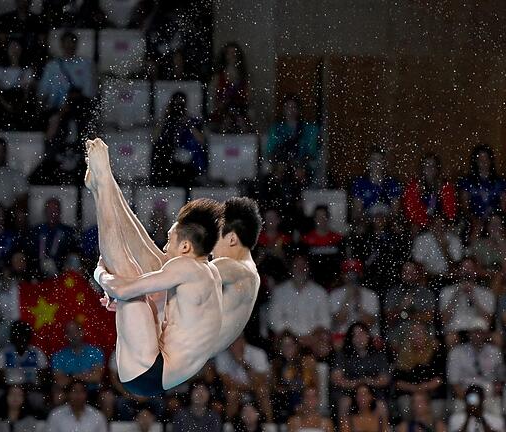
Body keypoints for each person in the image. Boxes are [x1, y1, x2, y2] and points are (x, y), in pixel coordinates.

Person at [88, 138, 223, 396]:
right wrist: (129, 301)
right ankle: (106, 187)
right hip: (159, 368)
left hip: (148, 370)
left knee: (127, 273)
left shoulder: (187, 269)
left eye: (170, 240)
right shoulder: (208, 272)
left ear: (185, 247)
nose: (164, 246)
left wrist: (99, 273)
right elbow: (169, 312)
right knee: (148, 272)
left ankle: (103, 186)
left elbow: (125, 288)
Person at [208, 196, 262, 356]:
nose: (210, 249)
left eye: (215, 238)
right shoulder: (251, 274)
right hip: (186, 359)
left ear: (232, 238)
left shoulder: (236, 269)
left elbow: (175, 273)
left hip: (171, 356)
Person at [331, 322, 390, 418]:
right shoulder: (342, 355)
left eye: (362, 333)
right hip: (349, 392)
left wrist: (368, 382)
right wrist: (356, 384)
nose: (359, 338)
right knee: (345, 402)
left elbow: (384, 379)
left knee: (381, 405)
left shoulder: (379, 355)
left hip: (373, 392)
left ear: (368, 335)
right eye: (355, 335)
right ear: (351, 339)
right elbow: (336, 378)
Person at [150, 91, 208, 187]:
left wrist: (188, 124)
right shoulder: (166, 122)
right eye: (175, 104)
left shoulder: (193, 122)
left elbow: (201, 141)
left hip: (188, 165)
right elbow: (154, 139)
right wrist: (164, 117)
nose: (178, 108)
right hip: (169, 164)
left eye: (180, 104)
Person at [267, 254, 331, 340]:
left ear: (308, 268)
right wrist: (295, 338)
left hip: (313, 339)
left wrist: (310, 337)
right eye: (297, 265)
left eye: (303, 265)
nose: (300, 269)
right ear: (291, 269)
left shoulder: (320, 292)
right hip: (289, 339)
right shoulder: (280, 292)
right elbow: (274, 320)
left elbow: (325, 321)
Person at [447, 325, 505, 416]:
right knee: (458, 415)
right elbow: (454, 384)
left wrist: (485, 399)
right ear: (469, 333)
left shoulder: (495, 351)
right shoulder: (456, 352)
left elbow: (500, 380)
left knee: (497, 412)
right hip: (464, 396)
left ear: (487, 334)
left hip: (489, 397)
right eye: (475, 332)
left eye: (481, 332)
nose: (478, 335)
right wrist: (472, 401)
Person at [215, 335, 274, 421]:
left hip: (254, 389)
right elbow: (227, 382)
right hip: (236, 390)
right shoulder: (222, 355)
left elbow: (261, 381)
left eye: (236, 341)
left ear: (243, 341)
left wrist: (243, 363)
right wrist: (245, 388)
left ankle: (270, 425)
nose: (234, 345)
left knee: (263, 391)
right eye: (231, 342)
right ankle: (229, 426)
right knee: (232, 394)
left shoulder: (258, 353)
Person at [265, 94, 320, 175]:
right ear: (283, 110)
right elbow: (270, 150)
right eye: (288, 107)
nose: (291, 110)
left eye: (294, 107)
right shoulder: (276, 128)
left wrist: (300, 162)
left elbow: (312, 152)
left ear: (298, 110)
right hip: (281, 163)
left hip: (301, 163)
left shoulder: (308, 128)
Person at [402, 153, 458, 229]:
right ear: (422, 168)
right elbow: (411, 212)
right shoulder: (413, 187)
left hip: (441, 224)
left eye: (432, 166)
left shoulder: (446, 187)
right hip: (420, 225)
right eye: (426, 165)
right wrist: (428, 223)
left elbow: (451, 212)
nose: (429, 168)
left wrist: (441, 221)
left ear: (437, 169)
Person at [330, 259, 381, 337]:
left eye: (354, 273)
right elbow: (339, 320)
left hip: (367, 337)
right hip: (343, 337)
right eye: (348, 273)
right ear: (342, 275)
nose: (351, 276)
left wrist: (358, 301)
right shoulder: (335, 294)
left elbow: (369, 322)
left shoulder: (371, 295)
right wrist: (347, 298)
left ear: (360, 274)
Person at [458, 144, 506, 220]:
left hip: (495, 220)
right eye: (480, 160)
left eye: (486, 159)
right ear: (476, 161)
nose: (484, 163)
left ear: (490, 161)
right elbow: (465, 209)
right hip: (473, 221)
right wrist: (475, 220)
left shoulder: (500, 183)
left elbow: (503, 208)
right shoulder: (467, 182)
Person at [51, 321, 104, 391]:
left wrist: (73, 376)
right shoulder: (58, 356)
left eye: (76, 331)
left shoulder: (95, 352)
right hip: (68, 393)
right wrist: (84, 377)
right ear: (66, 336)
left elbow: (97, 377)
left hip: (92, 392)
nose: (73, 335)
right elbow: (60, 382)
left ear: (82, 332)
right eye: (70, 332)